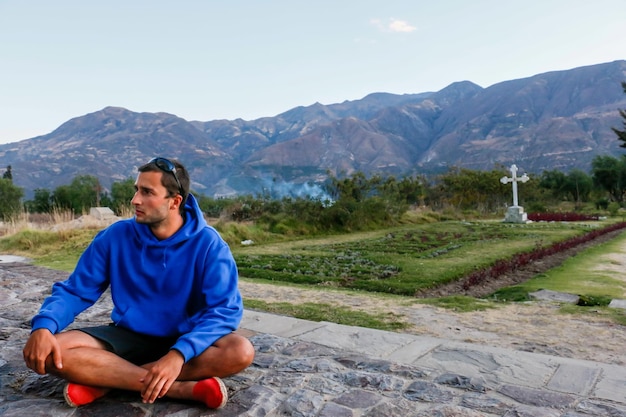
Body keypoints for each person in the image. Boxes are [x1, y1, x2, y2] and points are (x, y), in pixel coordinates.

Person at [23, 157, 255, 409]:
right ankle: (179, 389)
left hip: (186, 338)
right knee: (49, 352)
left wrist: (178, 355)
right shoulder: (115, 236)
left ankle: (106, 380)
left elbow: (224, 311)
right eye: (137, 189)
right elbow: (75, 291)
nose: (135, 200)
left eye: (147, 192)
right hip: (128, 336)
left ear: (174, 201)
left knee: (240, 350)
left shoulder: (209, 245)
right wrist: (44, 327)